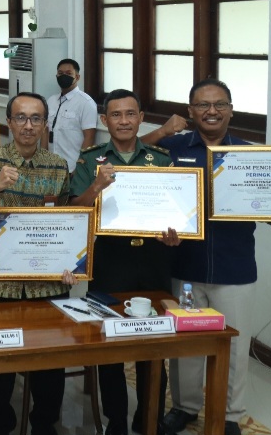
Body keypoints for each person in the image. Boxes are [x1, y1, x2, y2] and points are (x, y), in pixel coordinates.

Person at [144, 80, 255, 435]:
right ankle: (185, 407)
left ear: (231, 110)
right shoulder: (171, 148)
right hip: (184, 264)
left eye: (220, 104)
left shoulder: (250, 155)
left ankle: (230, 414)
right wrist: (162, 130)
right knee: (186, 342)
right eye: (203, 105)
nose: (212, 111)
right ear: (190, 111)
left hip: (234, 266)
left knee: (234, 345)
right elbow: (129, 157)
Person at [69, 89, 179, 435]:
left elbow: (177, 211)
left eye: (131, 114)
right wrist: (96, 188)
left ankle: (149, 418)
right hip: (110, 259)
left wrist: (176, 234)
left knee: (154, 345)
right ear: (105, 121)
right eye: (116, 115)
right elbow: (74, 209)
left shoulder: (161, 159)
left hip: (154, 259)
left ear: (141, 118)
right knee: (111, 345)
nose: (124, 121)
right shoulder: (91, 160)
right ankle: (115, 421)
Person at [0, 92, 76, 435]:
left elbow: (67, 222)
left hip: (48, 284)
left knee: (50, 364)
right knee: (0, 365)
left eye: (36, 119)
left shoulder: (57, 166)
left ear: (45, 124)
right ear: (9, 122)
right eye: (20, 118)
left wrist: (72, 262)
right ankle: (0, 426)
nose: (28, 126)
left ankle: (44, 425)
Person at [42, 59, 97, 172]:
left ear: (77, 77)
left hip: (72, 168)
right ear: (56, 76)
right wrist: (42, 160)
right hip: (50, 167)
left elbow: (89, 138)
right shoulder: (51, 101)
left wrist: (79, 167)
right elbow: (45, 131)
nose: (64, 76)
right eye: (60, 73)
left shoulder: (86, 103)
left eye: (68, 73)